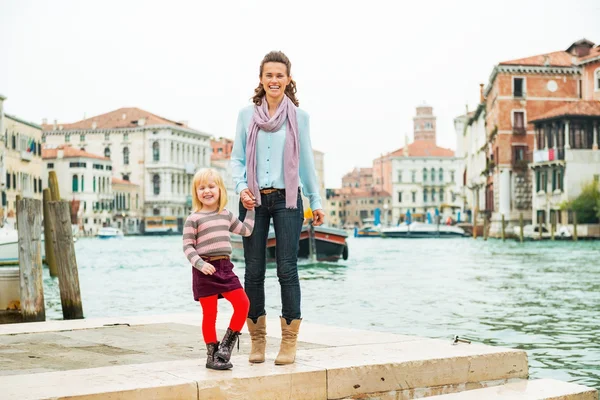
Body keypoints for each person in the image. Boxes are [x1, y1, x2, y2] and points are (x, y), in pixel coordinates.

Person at [230, 50, 325, 365]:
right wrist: (241, 187)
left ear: (288, 79)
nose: (274, 80)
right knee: (254, 271)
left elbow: (307, 161)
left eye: (279, 75)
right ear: (261, 79)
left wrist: (316, 201)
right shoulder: (246, 116)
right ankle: (257, 343)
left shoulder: (300, 117)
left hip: (288, 200)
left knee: (287, 269)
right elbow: (238, 159)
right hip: (253, 200)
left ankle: (288, 343)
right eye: (268, 75)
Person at [182, 168, 255, 370]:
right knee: (209, 314)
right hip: (204, 269)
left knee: (243, 304)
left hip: (224, 267)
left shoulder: (226, 215)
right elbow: (187, 246)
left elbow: (246, 230)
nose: (207, 191)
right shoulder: (193, 219)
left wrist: (251, 209)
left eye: (211, 186)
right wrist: (200, 264)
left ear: (220, 190)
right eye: (201, 187)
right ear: (196, 192)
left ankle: (225, 347)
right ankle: (212, 356)